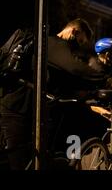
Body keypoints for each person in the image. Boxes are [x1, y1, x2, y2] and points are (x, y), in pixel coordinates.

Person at [0, 18, 105, 170]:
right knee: (19, 161)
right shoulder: (53, 44)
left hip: (26, 110)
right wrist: (105, 80)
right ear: (74, 32)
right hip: (17, 109)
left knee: (31, 159)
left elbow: (67, 83)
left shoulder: (53, 50)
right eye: (80, 41)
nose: (78, 46)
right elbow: (75, 69)